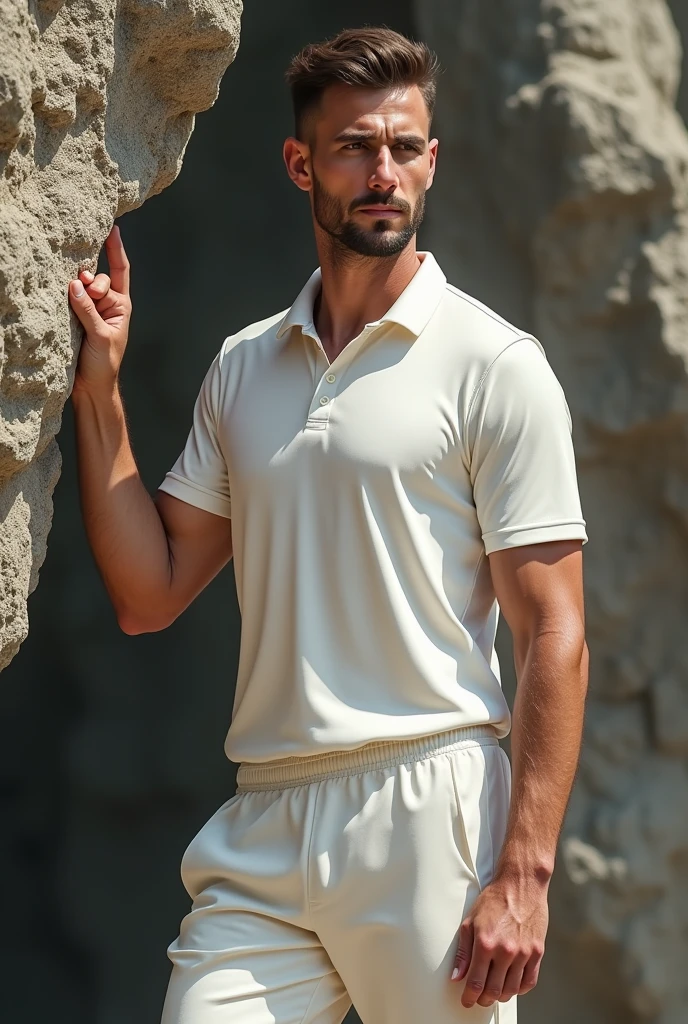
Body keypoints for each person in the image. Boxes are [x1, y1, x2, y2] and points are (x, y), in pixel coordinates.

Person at [68, 26, 589, 1024]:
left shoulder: (496, 365)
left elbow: (555, 632)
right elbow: (147, 592)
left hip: (430, 814)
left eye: (403, 147)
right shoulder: (244, 366)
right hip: (263, 822)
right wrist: (100, 390)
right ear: (301, 163)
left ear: (432, 161)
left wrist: (522, 870)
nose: (381, 170)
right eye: (353, 146)